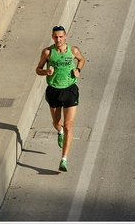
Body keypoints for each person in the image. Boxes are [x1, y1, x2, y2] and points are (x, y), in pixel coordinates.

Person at [36, 25, 85, 171]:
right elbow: (37, 70)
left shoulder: (73, 50)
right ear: (52, 37)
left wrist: (78, 69)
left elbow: (81, 60)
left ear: (66, 36)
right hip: (54, 91)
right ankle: (59, 132)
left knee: (69, 125)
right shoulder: (48, 52)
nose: (58, 39)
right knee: (57, 123)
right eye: (56, 37)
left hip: (70, 90)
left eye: (61, 36)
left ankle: (64, 159)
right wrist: (46, 72)